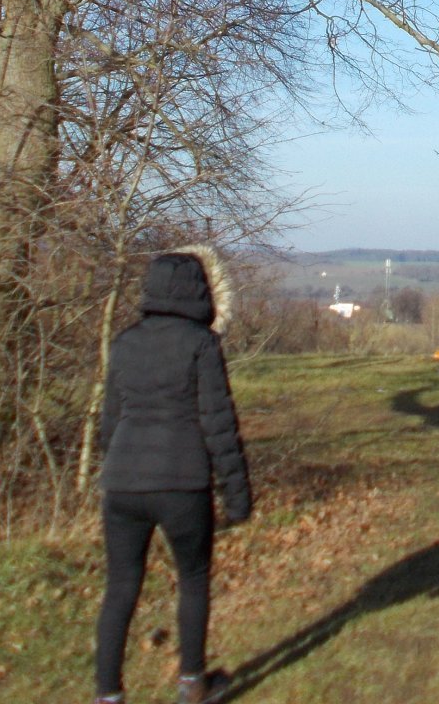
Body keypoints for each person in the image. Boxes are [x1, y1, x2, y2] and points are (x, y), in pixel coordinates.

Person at [94, 245, 252, 704]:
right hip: (183, 480)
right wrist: (237, 496)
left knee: (121, 586)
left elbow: (110, 421)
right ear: (200, 293)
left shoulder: (124, 342)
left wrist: (120, 464)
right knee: (193, 577)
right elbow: (219, 423)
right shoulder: (201, 344)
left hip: (122, 482)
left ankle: (107, 695)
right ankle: (192, 685)